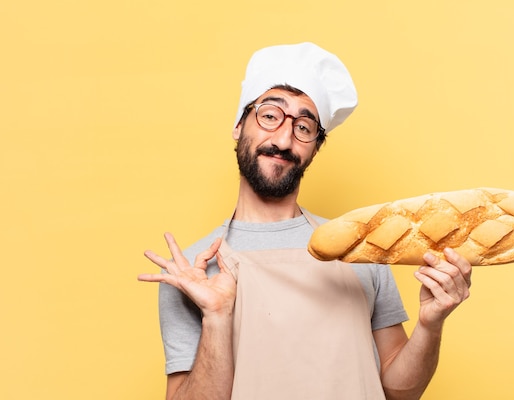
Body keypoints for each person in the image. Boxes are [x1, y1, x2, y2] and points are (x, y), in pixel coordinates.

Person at [138, 42, 472, 400]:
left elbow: (398, 392)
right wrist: (217, 317)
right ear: (239, 124)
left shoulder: (360, 249)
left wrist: (430, 324)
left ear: (314, 147)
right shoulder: (190, 272)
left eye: (303, 126)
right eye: (270, 115)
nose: (283, 139)